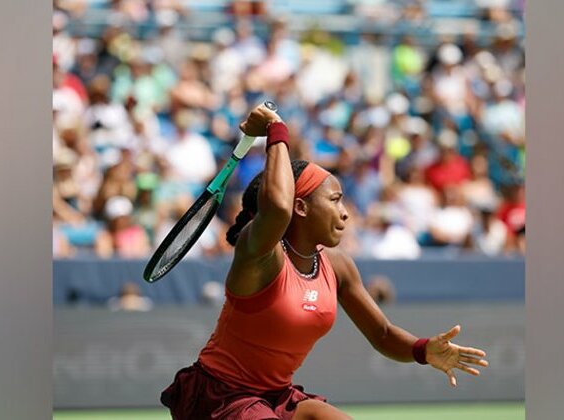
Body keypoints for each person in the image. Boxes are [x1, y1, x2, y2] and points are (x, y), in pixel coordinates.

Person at [159, 104, 489, 419]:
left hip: (277, 397)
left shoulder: (338, 265)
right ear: (299, 207)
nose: (345, 212)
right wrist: (277, 129)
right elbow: (275, 207)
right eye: (334, 200)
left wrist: (424, 350)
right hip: (220, 397)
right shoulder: (260, 254)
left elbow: (384, 334)